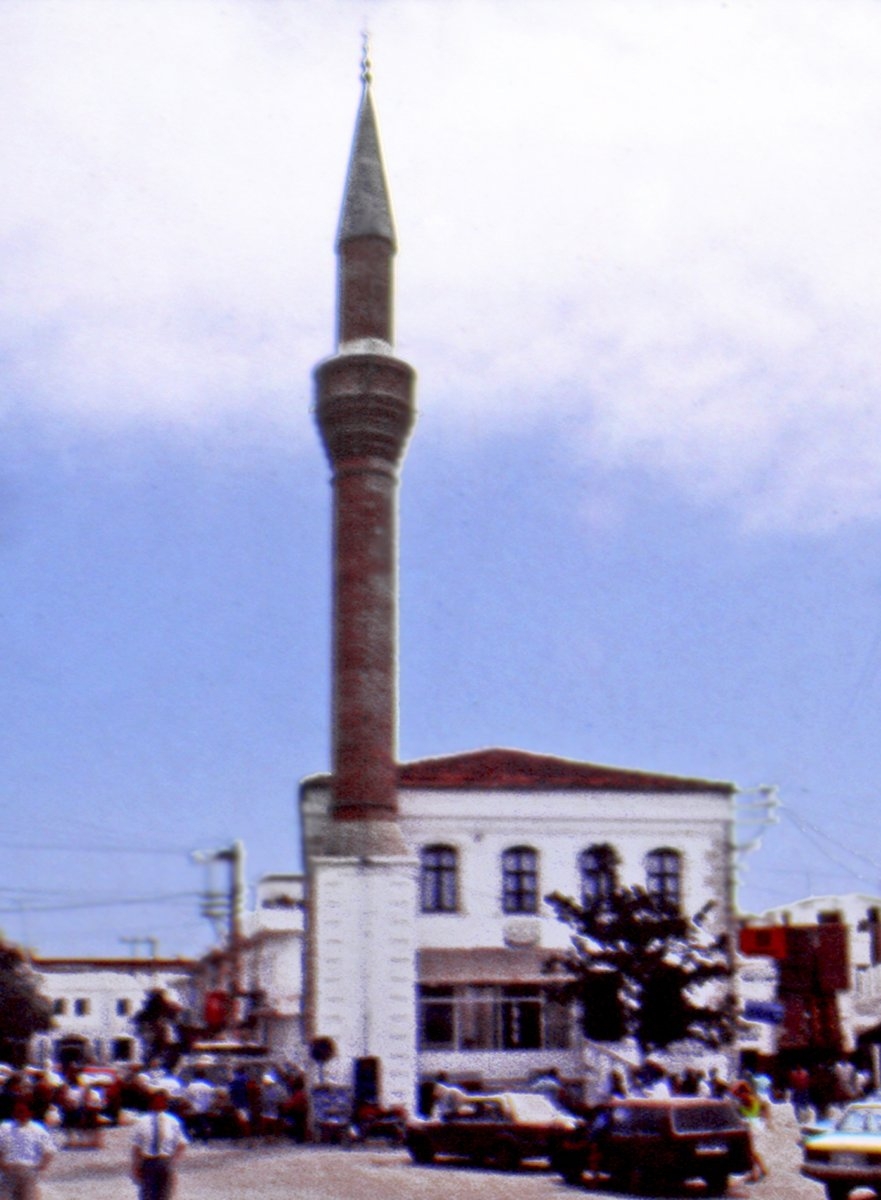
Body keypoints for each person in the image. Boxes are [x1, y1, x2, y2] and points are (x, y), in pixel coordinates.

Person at [130, 1087, 187, 1200]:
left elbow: (181, 1143)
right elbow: (136, 1145)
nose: (159, 1104)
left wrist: (173, 1161)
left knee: (164, 1195)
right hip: (148, 1161)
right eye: (156, 1101)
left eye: (162, 1101)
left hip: (165, 1160)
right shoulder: (142, 1121)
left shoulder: (173, 1121)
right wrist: (136, 1165)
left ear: (166, 1103)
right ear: (151, 1102)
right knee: (147, 1195)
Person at [0, 1098, 55, 1200]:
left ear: (30, 1113)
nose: (19, 1114)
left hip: (29, 1170)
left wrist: (41, 1167)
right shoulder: (5, 1127)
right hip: (9, 1169)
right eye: (17, 1111)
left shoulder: (38, 1129)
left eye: (22, 1111)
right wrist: (2, 1164)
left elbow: (49, 1151)